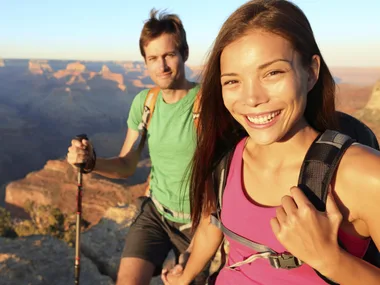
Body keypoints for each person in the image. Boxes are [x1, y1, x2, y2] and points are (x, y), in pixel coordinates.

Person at [161, 0, 380, 284]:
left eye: (272, 73)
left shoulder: (363, 174)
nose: (252, 98)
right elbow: (212, 222)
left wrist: (331, 260)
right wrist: (185, 276)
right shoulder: (228, 159)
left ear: (311, 72)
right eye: (232, 81)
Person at [67, 9, 205, 285]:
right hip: (157, 212)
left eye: (169, 55)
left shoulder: (208, 103)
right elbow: (127, 164)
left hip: (200, 222)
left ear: (185, 53)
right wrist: (91, 161)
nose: (162, 66)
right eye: (153, 58)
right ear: (145, 62)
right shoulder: (145, 102)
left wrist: (192, 255)